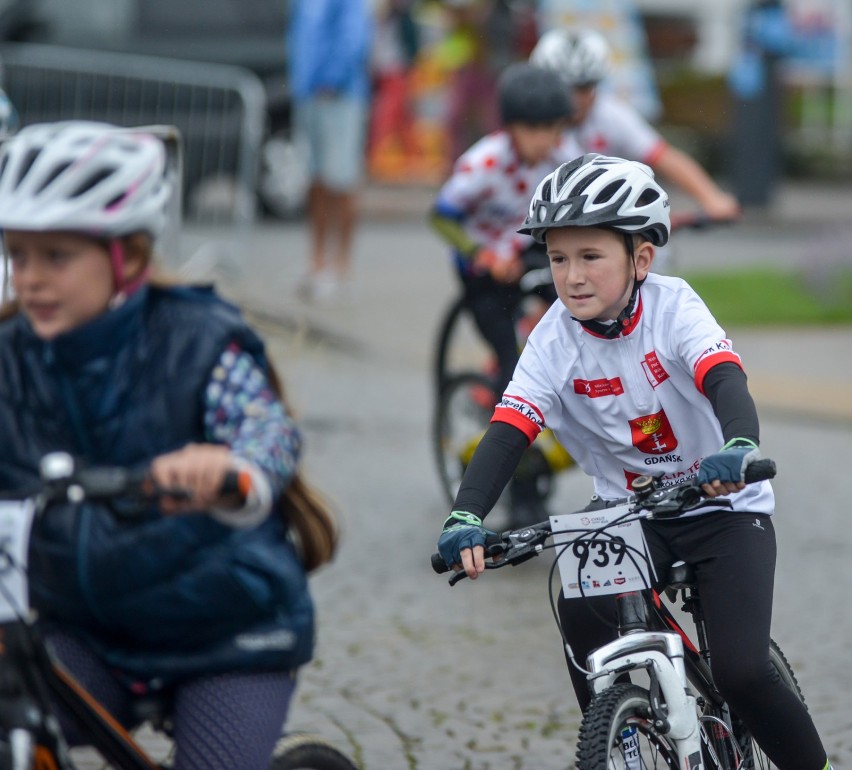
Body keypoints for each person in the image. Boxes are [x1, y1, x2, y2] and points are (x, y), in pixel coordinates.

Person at [435, 153, 833, 769]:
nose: (571, 277)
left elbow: (723, 376)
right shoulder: (551, 337)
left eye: (591, 256)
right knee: (577, 615)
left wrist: (739, 447)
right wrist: (466, 514)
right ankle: (618, 741)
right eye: (558, 258)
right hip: (625, 513)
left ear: (640, 259)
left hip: (719, 503)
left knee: (742, 669)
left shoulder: (673, 307)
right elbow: (510, 429)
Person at [0, 120, 338, 770]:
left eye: (57, 256)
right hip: (85, 632)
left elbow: (264, 428)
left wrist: (231, 469)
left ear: (125, 256)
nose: (32, 278)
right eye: (19, 255)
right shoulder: (12, 355)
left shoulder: (198, 338)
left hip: (227, 635)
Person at [429, 61, 581, 526]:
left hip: (528, 252)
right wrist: (479, 254)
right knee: (513, 365)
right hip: (483, 272)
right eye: (535, 129)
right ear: (511, 127)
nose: (547, 139)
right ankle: (515, 470)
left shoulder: (561, 155)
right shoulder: (484, 163)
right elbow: (440, 217)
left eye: (554, 128)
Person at [530, 27, 741, 221]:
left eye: (584, 87)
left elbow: (663, 156)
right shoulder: (530, 119)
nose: (574, 98)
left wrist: (711, 197)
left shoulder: (611, 115)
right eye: (563, 87)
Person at [287, 0, 373, 301]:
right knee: (316, 181)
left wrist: (331, 80)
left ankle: (341, 266)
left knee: (341, 180)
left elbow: (355, 38)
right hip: (308, 94)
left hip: (339, 96)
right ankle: (317, 261)